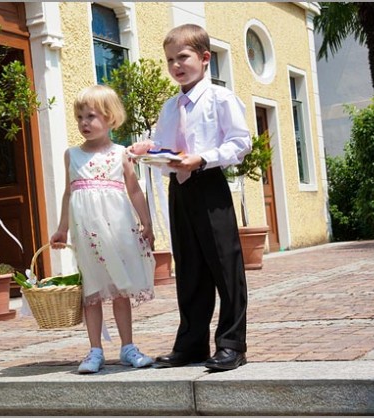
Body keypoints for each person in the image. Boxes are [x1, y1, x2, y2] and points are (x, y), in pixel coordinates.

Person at [129, 23, 251, 371]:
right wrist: (149, 148)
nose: (176, 66)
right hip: (179, 189)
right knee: (189, 268)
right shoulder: (170, 107)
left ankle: (231, 344)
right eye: (170, 60)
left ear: (205, 58)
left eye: (182, 57)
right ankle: (192, 344)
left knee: (225, 267)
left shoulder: (220, 99)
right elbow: (167, 145)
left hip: (209, 183)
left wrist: (204, 158)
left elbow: (240, 143)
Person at [50, 84, 156, 374]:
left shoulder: (120, 153)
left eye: (92, 116)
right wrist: (61, 229)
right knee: (92, 293)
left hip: (118, 231)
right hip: (87, 236)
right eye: (81, 117)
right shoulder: (71, 154)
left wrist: (146, 223)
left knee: (120, 291)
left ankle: (127, 346)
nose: (85, 123)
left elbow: (134, 191)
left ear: (110, 118)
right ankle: (95, 350)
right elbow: (69, 194)